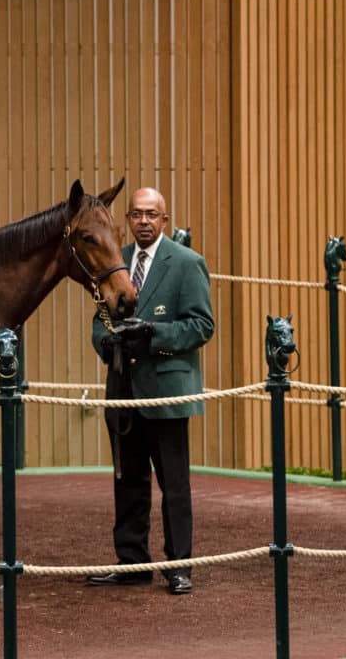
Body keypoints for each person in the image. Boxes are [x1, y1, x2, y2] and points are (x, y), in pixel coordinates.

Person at [88, 186, 214, 595]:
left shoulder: (187, 263)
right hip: (122, 389)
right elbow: (99, 318)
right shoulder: (116, 260)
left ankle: (180, 567)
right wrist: (104, 342)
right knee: (127, 480)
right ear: (128, 219)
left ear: (164, 219)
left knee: (174, 485)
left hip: (166, 391)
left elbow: (201, 325)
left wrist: (154, 334)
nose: (143, 221)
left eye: (151, 214)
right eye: (136, 214)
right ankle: (132, 562)